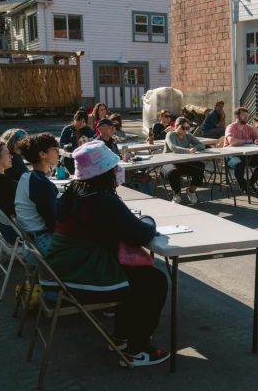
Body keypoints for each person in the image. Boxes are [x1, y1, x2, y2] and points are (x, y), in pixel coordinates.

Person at [48, 140, 169, 367]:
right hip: (80, 273)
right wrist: (148, 221)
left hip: (61, 268)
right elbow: (139, 235)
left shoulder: (73, 193)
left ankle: (121, 337)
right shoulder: (102, 199)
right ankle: (137, 349)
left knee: (135, 277)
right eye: (114, 167)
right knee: (153, 281)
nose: (117, 170)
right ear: (104, 172)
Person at [14, 133, 60, 255]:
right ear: (42, 154)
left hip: (30, 242)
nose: (58, 152)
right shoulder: (41, 183)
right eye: (55, 150)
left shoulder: (26, 176)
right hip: (42, 242)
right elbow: (53, 221)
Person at [162, 116, 206, 204]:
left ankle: (191, 191)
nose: (185, 130)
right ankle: (177, 194)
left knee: (200, 166)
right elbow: (173, 147)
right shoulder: (170, 134)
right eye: (183, 128)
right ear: (176, 126)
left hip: (183, 162)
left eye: (187, 128)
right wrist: (188, 150)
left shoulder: (188, 135)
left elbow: (201, 145)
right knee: (173, 171)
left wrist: (195, 148)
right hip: (168, 162)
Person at [224, 107, 258, 192]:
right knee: (239, 164)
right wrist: (248, 141)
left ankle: (251, 183)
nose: (246, 117)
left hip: (246, 154)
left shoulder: (249, 127)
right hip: (230, 155)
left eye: (247, 116)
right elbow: (232, 141)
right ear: (237, 116)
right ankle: (243, 185)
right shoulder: (231, 127)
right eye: (243, 115)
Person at [59, 110, 95, 174]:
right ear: (75, 120)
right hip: (69, 158)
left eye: (83, 121)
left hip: (84, 158)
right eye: (79, 121)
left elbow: (93, 141)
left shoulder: (87, 129)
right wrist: (71, 146)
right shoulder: (67, 129)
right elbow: (62, 144)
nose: (81, 123)